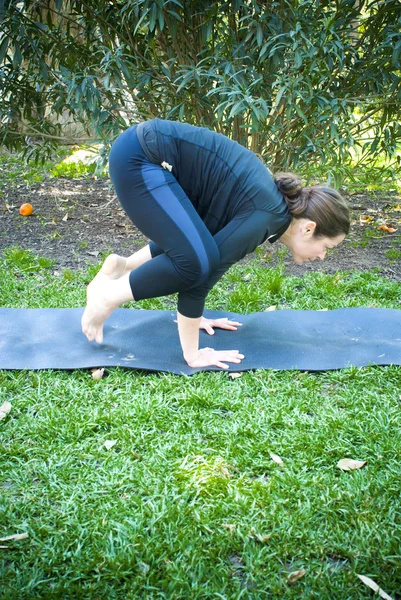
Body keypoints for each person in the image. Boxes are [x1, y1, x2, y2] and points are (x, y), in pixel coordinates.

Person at [81, 119, 350, 369]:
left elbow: (201, 239)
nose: (322, 257)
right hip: (142, 157)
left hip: (140, 150)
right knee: (197, 263)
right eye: (326, 247)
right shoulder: (267, 216)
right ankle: (109, 296)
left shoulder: (269, 210)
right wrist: (193, 354)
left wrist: (195, 318)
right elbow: (201, 273)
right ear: (308, 228)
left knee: (197, 250)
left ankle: (123, 266)